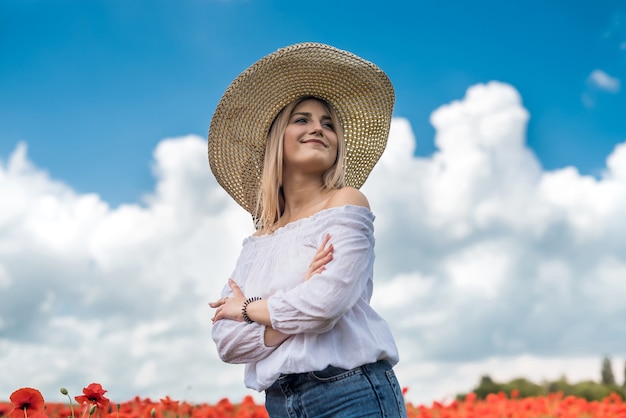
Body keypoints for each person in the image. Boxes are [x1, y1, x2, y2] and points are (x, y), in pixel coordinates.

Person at [207, 42, 407, 417]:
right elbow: (227, 342)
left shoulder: (345, 202)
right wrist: (298, 296)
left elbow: (325, 304)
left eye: (328, 124)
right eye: (302, 119)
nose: (318, 128)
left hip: (350, 392)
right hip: (281, 402)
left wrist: (250, 310)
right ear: (276, 140)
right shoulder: (258, 242)